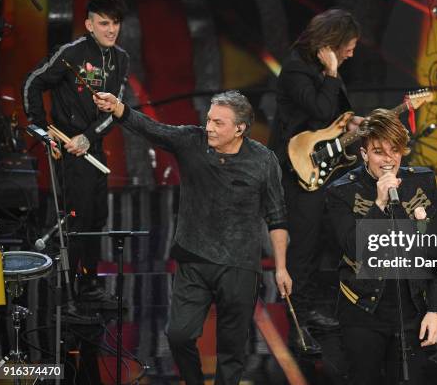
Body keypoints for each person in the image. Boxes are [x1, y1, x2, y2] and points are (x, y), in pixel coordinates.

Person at [93, 89, 292, 384]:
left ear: (240, 128)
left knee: (232, 348)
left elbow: (277, 217)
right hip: (193, 259)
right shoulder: (192, 141)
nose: (209, 127)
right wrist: (118, 107)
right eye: (209, 119)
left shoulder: (264, 160)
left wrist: (281, 267)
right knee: (178, 335)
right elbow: (153, 129)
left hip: (239, 265)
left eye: (218, 123)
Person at [22, 0, 129, 309]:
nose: (111, 29)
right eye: (104, 23)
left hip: (92, 147)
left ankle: (89, 285)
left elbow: (116, 111)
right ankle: (72, 293)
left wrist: (88, 137)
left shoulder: (121, 59)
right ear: (89, 24)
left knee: (97, 217)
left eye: (116, 23)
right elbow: (32, 82)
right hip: (66, 151)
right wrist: (43, 131)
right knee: (77, 218)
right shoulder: (71, 53)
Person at [326, 109, 437, 384]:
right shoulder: (342, 191)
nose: (389, 159)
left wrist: (435, 309)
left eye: (395, 150)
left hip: (414, 310)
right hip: (363, 311)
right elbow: (353, 248)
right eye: (379, 151)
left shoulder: (421, 181)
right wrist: (379, 205)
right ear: (364, 153)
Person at [268, 8, 363, 346]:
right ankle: (296, 318)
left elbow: (331, 116)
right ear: (332, 43)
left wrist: (351, 123)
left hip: (326, 164)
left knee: (324, 239)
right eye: (348, 46)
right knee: (303, 245)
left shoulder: (322, 68)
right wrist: (333, 73)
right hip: (297, 167)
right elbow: (319, 111)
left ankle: (310, 309)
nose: (352, 53)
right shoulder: (296, 67)